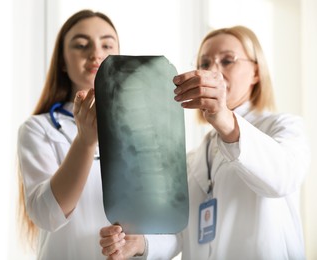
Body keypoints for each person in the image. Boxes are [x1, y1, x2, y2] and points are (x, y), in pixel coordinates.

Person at [99, 25, 310, 259]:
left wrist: (224, 117)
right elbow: (183, 233)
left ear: (256, 73)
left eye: (228, 60)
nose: (214, 71)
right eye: (205, 63)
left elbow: (282, 179)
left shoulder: (284, 127)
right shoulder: (196, 156)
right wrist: (141, 244)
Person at [16, 9, 125, 259]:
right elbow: (47, 214)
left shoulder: (142, 129)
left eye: (107, 44)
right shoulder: (38, 129)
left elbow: (163, 227)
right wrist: (85, 143)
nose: (96, 53)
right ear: (63, 62)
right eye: (81, 45)